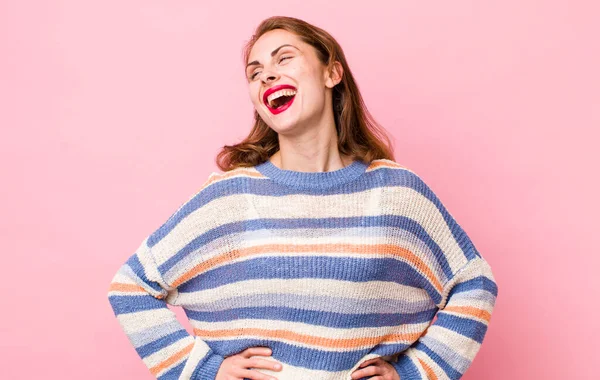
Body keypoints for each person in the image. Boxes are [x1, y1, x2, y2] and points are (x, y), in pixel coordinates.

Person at [107, 15, 498, 380]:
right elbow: (131, 286)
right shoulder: (230, 198)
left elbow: (474, 282)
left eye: (284, 59)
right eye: (254, 72)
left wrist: (414, 372)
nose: (267, 75)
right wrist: (206, 370)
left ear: (332, 72)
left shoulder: (396, 194)